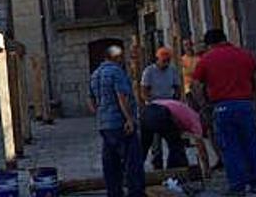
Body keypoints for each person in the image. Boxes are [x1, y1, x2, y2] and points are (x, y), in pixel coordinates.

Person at [192, 28, 256, 196]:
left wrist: (204, 105)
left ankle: (238, 186)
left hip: (223, 107)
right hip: (246, 105)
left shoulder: (206, 59)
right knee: (252, 144)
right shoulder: (245, 54)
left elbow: (196, 85)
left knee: (230, 147)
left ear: (210, 44)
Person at [89, 45, 145, 197]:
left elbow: (91, 102)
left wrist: (101, 115)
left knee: (111, 163)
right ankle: (136, 193)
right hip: (120, 123)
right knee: (132, 161)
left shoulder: (95, 74)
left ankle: (114, 193)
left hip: (105, 125)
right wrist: (129, 119)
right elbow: (122, 97)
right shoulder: (117, 72)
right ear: (117, 58)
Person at [141, 99, 211, 175]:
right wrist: (206, 168)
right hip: (161, 112)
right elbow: (201, 147)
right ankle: (173, 173)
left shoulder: (188, 112)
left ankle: (134, 173)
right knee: (176, 145)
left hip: (147, 110)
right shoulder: (196, 121)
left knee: (144, 146)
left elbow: (176, 125)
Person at [141, 47, 181, 169]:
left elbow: (177, 87)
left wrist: (176, 101)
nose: (166, 63)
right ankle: (157, 165)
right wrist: (150, 102)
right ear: (157, 59)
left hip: (168, 105)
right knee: (155, 141)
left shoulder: (172, 70)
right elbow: (144, 91)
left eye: (168, 61)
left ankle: (172, 167)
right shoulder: (149, 71)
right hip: (154, 106)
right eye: (164, 61)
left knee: (173, 139)